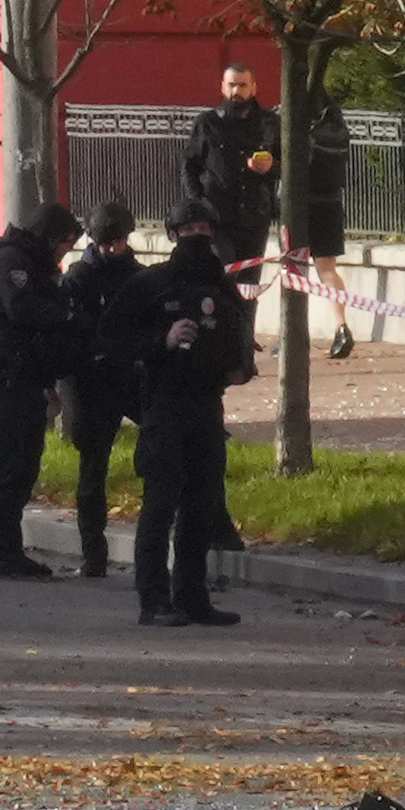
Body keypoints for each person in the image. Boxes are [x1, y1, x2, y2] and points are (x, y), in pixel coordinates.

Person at [130, 203, 258, 629]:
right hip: (164, 405)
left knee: (202, 505)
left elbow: (237, 331)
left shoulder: (221, 286)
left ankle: (192, 595)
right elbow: (113, 340)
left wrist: (240, 365)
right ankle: (153, 599)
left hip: (207, 405)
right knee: (160, 504)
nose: (197, 234)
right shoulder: (151, 284)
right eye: (188, 228)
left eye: (204, 226)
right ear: (173, 234)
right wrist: (160, 341)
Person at [0, 201, 76, 581]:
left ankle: (6, 546)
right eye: (64, 243)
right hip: (5, 375)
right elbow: (23, 308)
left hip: (26, 376)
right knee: (10, 461)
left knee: (25, 462)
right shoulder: (11, 262)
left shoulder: (33, 264)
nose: (65, 252)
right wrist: (67, 317)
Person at [61, 203, 155, 581]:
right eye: (102, 243)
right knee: (92, 466)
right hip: (90, 381)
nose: (108, 250)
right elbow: (71, 334)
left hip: (129, 375)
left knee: (164, 437)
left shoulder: (138, 278)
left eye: (115, 243)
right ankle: (93, 553)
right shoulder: (79, 278)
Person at [181, 65, 284, 276]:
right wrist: (199, 205)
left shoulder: (269, 123)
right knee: (223, 275)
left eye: (242, 85)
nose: (236, 91)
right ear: (222, 87)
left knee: (249, 283)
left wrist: (271, 166)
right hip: (217, 217)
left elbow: (289, 168)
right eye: (231, 85)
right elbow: (190, 166)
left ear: (254, 88)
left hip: (255, 216)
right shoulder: (207, 123)